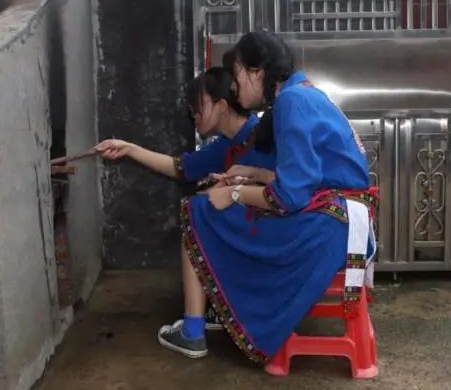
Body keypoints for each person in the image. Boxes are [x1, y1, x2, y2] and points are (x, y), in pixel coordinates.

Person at [152, 31, 376, 362]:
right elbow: (310, 179)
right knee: (210, 209)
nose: (234, 86)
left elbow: (288, 198)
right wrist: (254, 174)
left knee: (197, 209)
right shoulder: (303, 93)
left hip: (325, 228)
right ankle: (214, 314)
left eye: (237, 75)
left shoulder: (291, 102)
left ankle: (195, 330)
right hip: (337, 219)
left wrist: (236, 193)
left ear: (256, 72)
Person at [94, 66, 277, 332]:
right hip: (260, 224)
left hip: (275, 229)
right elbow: (181, 167)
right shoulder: (229, 143)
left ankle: (193, 329)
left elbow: (280, 189)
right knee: (203, 208)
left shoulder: (261, 137)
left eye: (198, 104)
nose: (193, 112)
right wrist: (129, 149)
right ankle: (220, 308)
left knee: (196, 213)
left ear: (222, 106)